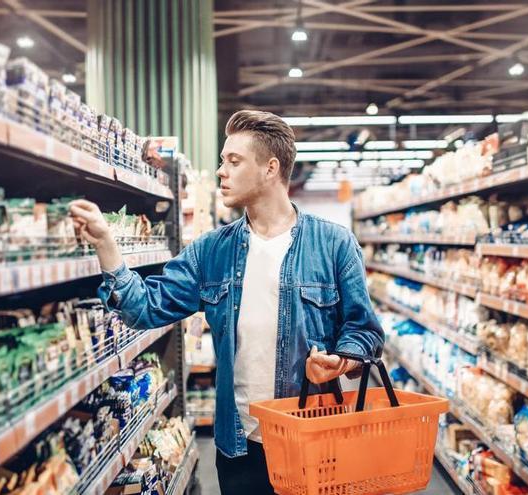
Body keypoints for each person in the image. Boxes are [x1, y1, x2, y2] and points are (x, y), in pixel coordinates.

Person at [69, 110, 384, 494]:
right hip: (240, 449)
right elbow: (144, 308)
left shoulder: (334, 244)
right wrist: (106, 244)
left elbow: (364, 331)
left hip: (315, 441)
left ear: (270, 169)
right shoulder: (211, 251)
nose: (221, 171)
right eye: (222, 160)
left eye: (233, 161)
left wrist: (340, 362)